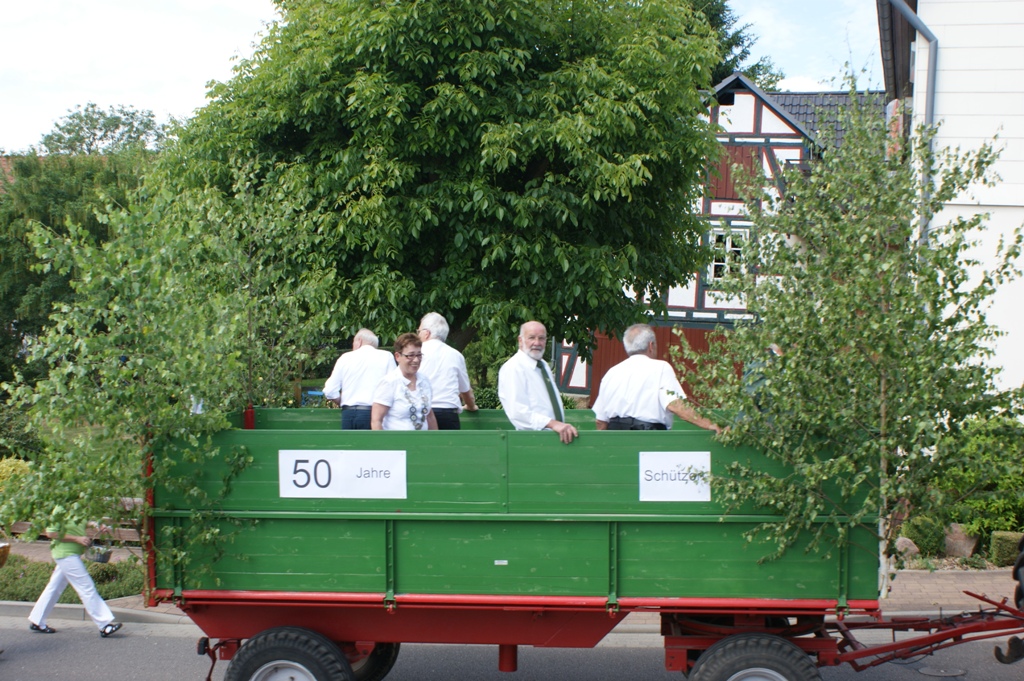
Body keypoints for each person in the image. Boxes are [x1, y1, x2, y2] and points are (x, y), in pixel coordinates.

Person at [592, 323, 721, 433]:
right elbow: (675, 405)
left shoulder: (611, 373)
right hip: (649, 439)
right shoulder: (661, 368)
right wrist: (709, 424)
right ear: (651, 345)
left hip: (615, 439)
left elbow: (601, 421)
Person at [28, 519, 123, 638]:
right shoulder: (60, 510)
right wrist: (76, 539)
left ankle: (37, 620)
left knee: (54, 588)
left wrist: (96, 525)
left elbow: (83, 521)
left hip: (70, 554)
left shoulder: (74, 508)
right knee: (86, 587)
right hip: (66, 555)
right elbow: (51, 533)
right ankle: (104, 624)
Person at [497, 320, 578, 444]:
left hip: (554, 439)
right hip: (532, 441)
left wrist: (557, 425)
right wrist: (553, 424)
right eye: (531, 338)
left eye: (541, 338)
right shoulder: (513, 368)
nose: (537, 343)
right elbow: (518, 412)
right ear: (520, 340)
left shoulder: (543, 365)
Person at [323, 328, 397, 429]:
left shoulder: (345, 358)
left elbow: (329, 390)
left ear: (359, 341)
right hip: (374, 414)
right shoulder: (386, 356)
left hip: (348, 414)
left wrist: (343, 402)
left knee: (349, 440)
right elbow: (394, 386)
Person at [416, 312, 478, 429]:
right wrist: (471, 406)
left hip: (421, 412)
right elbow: (465, 390)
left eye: (418, 331)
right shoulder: (456, 355)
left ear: (427, 333)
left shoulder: (414, 354)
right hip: (448, 413)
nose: (417, 335)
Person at [371, 332, 439, 431]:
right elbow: (376, 421)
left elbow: (429, 416)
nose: (416, 360)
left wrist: (436, 439)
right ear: (397, 356)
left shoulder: (425, 381)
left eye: (419, 355)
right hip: (396, 440)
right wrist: (383, 441)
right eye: (410, 355)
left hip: (423, 439)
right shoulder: (389, 382)